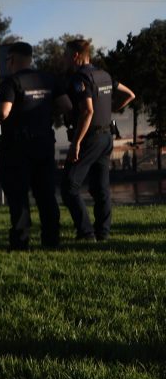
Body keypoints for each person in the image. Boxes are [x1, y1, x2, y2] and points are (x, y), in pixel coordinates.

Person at [0, 41, 71, 250]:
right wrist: (43, 113)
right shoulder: (49, 79)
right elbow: (66, 105)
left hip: (18, 149)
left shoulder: (11, 82)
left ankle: (21, 242)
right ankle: (51, 240)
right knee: (46, 195)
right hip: (44, 144)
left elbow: (3, 112)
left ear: (12, 60)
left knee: (18, 197)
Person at [60, 37, 136, 242]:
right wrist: (112, 108)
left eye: (66, 55)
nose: (64, 58)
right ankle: (103, 232)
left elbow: (88, 111)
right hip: (106, 138)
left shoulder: (80, 78)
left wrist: (76, 143)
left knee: (69, 186)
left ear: (76, 56)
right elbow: (130, 94)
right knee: (100, 188)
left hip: (90, 138)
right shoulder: (103, 75)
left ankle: (86, 233)